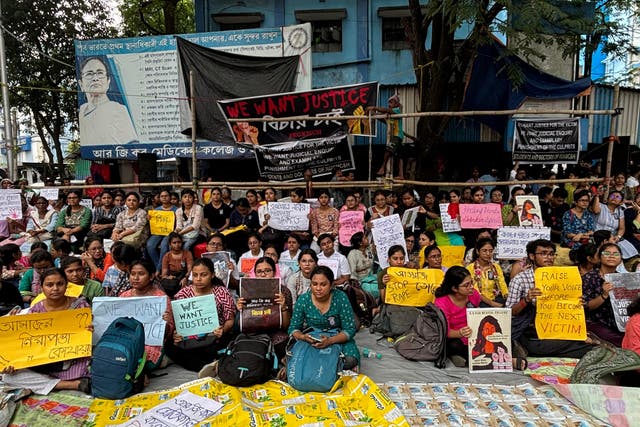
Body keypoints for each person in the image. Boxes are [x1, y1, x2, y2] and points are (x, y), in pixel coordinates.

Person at [1, 268, 92, 394]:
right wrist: (13, 363)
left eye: (60, 284)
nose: (55, 288)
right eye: (49, 285)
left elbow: (86, 337)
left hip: (71, 361)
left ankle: (49, 383)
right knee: (8, 376)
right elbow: (26, 344)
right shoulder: (35, 311)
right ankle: (70, 385)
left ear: (67, 285)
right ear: (41, 288)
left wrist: (89, 330)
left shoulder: (80, 306)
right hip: (41, 363)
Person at [506, 239, 594, 358]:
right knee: (581, 348)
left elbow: (565, 307)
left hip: (559, 327)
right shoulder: (519, 280)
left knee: (580, 344)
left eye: (551, 254)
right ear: (532, 256)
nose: (549, 257)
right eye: (543, 253)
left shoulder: (563, 277)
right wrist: (526, 300)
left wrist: (577, 303)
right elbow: (509, 313)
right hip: (530, 330)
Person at [164, 258, 236, 372]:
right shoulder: (183, 294)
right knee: (169, 347)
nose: (198, 279)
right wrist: (176, 335)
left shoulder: (222, 292)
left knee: (225, 343)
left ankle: (206, 365)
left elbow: (230, 319)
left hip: (214, 339)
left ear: (212, 275)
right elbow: (177, 321)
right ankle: (209, 366)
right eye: (195, 275)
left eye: (203, 275)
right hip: (189, 341)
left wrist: (223, 330)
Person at [288, 266, 360, 371]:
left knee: (350, 360)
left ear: (331, 285)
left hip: (337, 338)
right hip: (312, 339)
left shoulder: (340, 298)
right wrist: (303, 337)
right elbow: (293, 328)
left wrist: (330, 341)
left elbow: (349, 329)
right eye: (314, 284)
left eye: (323, 284)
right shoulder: (304, 300)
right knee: (295, 358)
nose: (318, 288)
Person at [120, 260, 174, 373]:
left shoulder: (161, 298)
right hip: (127, 340)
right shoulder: (124, 296)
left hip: (150, 342)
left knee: (139, 360)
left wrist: (167, 323)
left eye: (141, 274)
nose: (135, 277)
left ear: (151, 276)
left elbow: (168, 333)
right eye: (133, 274)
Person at [236, 256, 292, 359]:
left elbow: (286, 326)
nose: (263, 274)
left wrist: (283, 307)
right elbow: (241, 325)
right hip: (253, 332)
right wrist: (241, 310)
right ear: (255, 273)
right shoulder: (247, 290)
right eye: (259, 271)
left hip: (276, 333)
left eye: (267, 271)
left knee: (282, 345)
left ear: (274, 272)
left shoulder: (283, 291)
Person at [78, 56, 138, 146]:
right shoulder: (82, 110)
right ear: (81, 84)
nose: (95, 78)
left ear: (108, 81)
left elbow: (132, 145)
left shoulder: (119, 110)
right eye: (89, 74)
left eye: (100, 73)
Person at [434, 266, 483, 367]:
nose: (471, 287)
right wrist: (460, 333)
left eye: (471, 283)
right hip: (454, 337)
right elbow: (445, 331)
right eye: (466, 285)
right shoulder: (442, 303)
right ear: (454, 288)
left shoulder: (473, 295)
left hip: (473, 335)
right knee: (454, 345)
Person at [582, 243, 625, 347]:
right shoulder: (589, 278)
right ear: (599, 257)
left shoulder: (623, 279)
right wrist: (604, 295)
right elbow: (586, 307)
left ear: (621, 259)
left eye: (616, 254)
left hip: (618, 324)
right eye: (607, 253)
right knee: (621, 341)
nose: (611, 256)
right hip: (595, 323)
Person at [369, 94, 404, 179]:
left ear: (396, 104)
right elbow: (384, 120)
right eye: (389, 103)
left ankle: (382, 168)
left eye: (391, 102)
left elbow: (386, 110)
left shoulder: (397, 110)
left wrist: (374, 108)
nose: (389, 104)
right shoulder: (391, 115)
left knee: (388, 151)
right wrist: (374, 114)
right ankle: (401, 174)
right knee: (399, 156)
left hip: (397, 136)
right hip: (396, 136)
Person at [146, 190, 178, 271]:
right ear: (159, 198)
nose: (164, 198)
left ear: (170, 197)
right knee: (150, 245)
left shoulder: (176, 210)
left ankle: (159, 269)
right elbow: (153, 224)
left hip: (170, 233)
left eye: (166, 196)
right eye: (162, 196)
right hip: (158, 232)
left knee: (164, 246)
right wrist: (149, 219)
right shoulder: (156, 210)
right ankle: (159, 267)